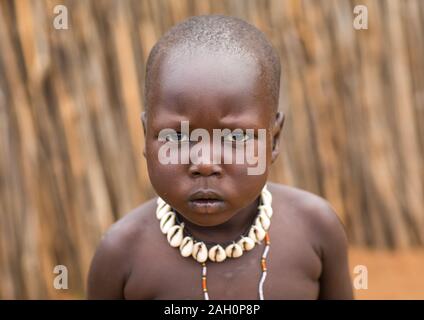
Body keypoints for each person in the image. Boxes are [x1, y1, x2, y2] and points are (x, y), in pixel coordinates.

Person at [87, 15, 353, 300]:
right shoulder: (121, 254)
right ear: (145, 136)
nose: (203, 163)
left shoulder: (316, 229)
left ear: (273, 139)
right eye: (177, 137)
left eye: (235, 138)